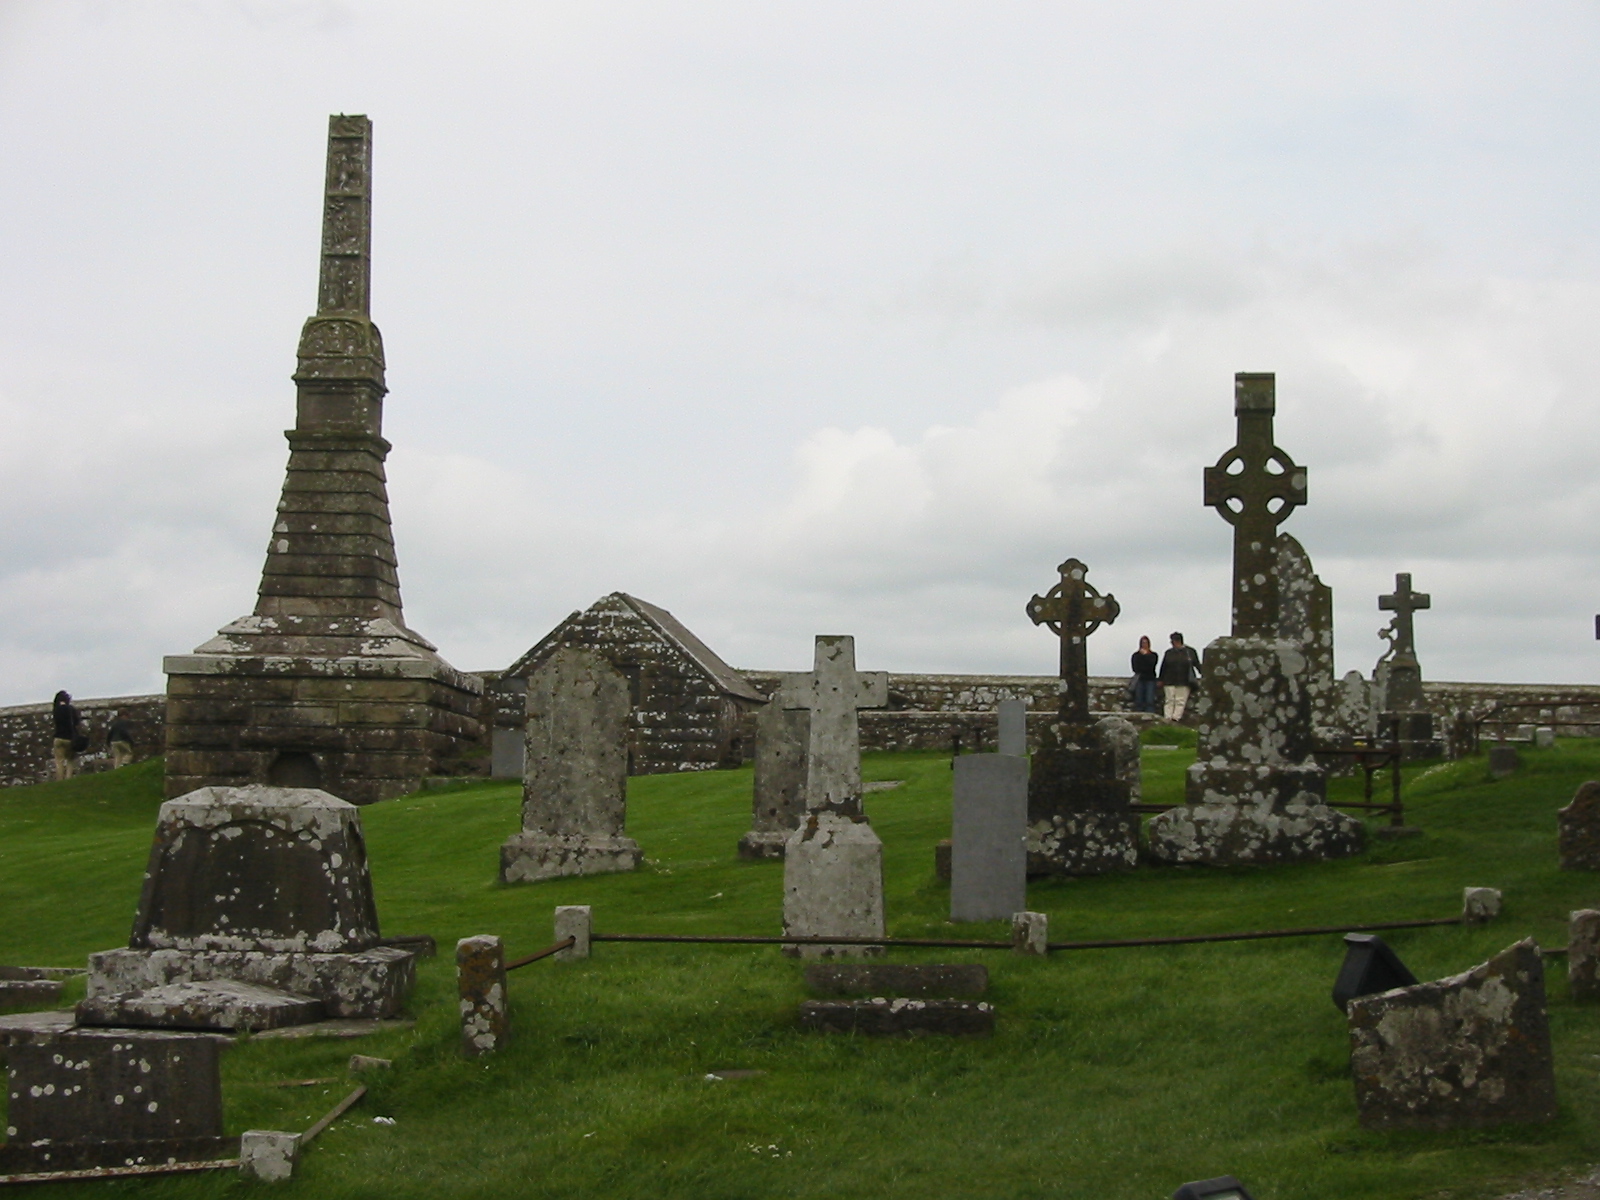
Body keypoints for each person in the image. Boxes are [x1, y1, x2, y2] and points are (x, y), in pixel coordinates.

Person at [1157, 632, 1202, 722]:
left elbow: (1197, 664)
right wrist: (1161, 679)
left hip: (1184, 680)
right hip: (1169, 680)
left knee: (1180, 701)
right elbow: (1164, 667)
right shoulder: (1168, 653)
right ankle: (1167, 718)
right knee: (1169, 700)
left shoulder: (1190, 652)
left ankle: (1175, 718)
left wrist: (1204, 673)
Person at [51, 690, 81, 781]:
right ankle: (68, 778)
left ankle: (59, 779)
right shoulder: (71, 709)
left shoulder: (56, 710)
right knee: (70, 759)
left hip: (58, 737)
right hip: (69, 737)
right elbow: (77, 722)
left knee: (59, 761)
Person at [1130, 636, 1159, 714]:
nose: (1144, 645)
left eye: (1146, 643)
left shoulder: (1153, 655)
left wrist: (1146, 656)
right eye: (1143, 643)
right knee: (1139, 700)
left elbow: (1151, 666)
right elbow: (1135, 668)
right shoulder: (1136, 655)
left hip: (1150, 679)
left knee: (1149, 700)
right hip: (1140, 679)